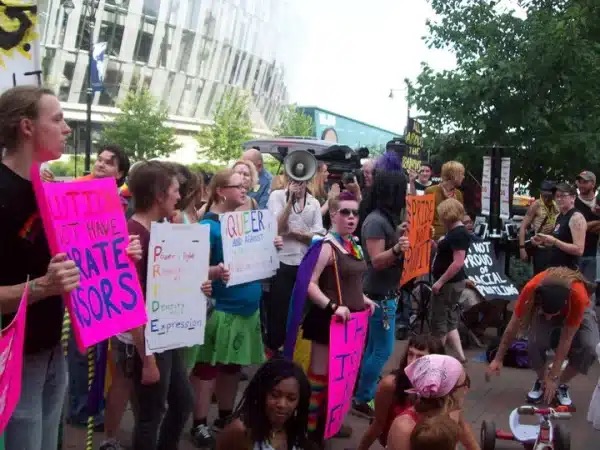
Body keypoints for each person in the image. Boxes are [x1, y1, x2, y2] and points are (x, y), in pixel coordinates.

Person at [0, 86, 139, 450]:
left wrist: (119, 255)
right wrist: (42, 287)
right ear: (27, 127)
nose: (66, 129)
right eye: (58, 119)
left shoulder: (49, 190)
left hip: (52, 349)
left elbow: (74, 262)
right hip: (13, 358)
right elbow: (47, 279)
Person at [189, 169, 283, 448]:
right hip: (220, 309)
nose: (245, 190)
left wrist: (272, 246)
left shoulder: (243, 224)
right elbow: (193, 270)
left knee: (232, 367)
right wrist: (216, 272)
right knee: (207, 368)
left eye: (246, 186)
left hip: (246, 309)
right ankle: (199, 423)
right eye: (239, 186)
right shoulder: (208, 227)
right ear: (220, 191)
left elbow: (258, 260)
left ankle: (225, 416)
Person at [127, 161, 202, 450]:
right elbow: (131, 304)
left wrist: (200, 284)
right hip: (148, 342)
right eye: (174, 190)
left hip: (166, 336)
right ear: (159, 195)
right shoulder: (134, 235)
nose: (179, 196)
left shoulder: (161, 230)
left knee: (182, 402)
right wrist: (147, 359)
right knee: (151, 414)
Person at [301, 192, 376, 446]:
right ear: (333, 215)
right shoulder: (326, 246)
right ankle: (311, 430)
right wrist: (333, 307)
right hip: (327, 321)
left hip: (351, 324)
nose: (351, 217)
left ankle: (330, 422)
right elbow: (310, 285)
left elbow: (351, 281)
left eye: (355, 212)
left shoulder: (353, 244)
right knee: (319, 377)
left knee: (342, 377)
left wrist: (363, 299)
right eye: (345, 212)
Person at [486, 267, 599, 406]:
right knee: (534, 342)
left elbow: (566, 338)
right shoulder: (531, 289)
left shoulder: (578, 296)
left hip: (578, 308)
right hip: (543, 304)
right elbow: (513, 326)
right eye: (546, 314)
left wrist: (554, 377)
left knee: (590, 347)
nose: (549, 318)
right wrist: (498, 358)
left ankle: (560, 384)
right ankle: (542, 381)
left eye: (552, 315)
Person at [352, 171, 410, 418]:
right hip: (378, 294)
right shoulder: (376, 221)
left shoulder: (384, 219)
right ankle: (363, 397)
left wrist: (399, 233)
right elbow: (376, 260)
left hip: (385, 291)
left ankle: (363, 390)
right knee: (382, 350)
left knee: (374, 347)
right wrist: (397, 248)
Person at [265, 175, 324, 355]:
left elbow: (318, 236)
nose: (299, 181)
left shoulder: (314, 203)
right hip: (281, 262)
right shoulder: (276, 196)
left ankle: (292, 351)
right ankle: (274, 350)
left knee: (300, 311)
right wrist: (289, 201)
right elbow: (276, 228)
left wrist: (295, 234)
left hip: (304, 263)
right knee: (278, 310)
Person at [357, 335, 445, 450]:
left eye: (420, 357)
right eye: (410, 354)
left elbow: (457, 423)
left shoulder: (444, 385)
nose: (412, 361)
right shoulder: (390, 385)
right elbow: (378, 424)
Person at [217, 358, 317, 450]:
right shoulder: (241, 430)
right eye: (275, 395)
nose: (282, 404)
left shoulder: (298, 431)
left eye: (291, 399)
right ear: (262, 393)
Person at [387, 354, 478, 450]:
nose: (466, 389)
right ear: (449, 394)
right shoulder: (405, 428)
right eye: (464, 384)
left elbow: (464, 432)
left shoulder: (452, 411)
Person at [431, 199, 470, 363]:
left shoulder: (458, 234)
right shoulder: (455, 232)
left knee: (440, 322)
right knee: (450, 321)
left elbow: (458, 262)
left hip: (449, 284)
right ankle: (460, 356)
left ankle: (437, 360)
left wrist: (440, 281)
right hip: (454, 282)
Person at [532, 182, 586, 271]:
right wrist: (542, 241)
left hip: (568, 271)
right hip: (554, 268)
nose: (559, 199)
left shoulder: (576, 217)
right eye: (557, 196)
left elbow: (579, 250)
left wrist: (554, 241)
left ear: (573, 197)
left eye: (563, 196)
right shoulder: (559, 216)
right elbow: (559, 243)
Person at [518, 180, 558, 274]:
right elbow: (523, 227)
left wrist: (554, 227)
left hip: (555, 247)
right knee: (540, 276)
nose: (546, 198)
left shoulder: (558, 205)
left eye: (549, 196)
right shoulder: (536, 205)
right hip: (541, 248)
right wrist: (522, 248)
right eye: (544, 196)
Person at [425, 161, 465, 240]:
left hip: (454, 236)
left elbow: (461, 218)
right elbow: (425, 218)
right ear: (454, 175)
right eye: (461, 174)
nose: (463, 177)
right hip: (435, 237)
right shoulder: (431, 191)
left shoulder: (458, 194)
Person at [574, 171, 600, 283]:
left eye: (585, 182)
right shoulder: (574, 202)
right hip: (576, 255)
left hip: (595, 254)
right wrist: (597, 222)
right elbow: (578, 227)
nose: (581, 185)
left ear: (593, 184)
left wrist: (587, 225)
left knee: (590, 288)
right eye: (579, 182)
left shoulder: (598, 201)